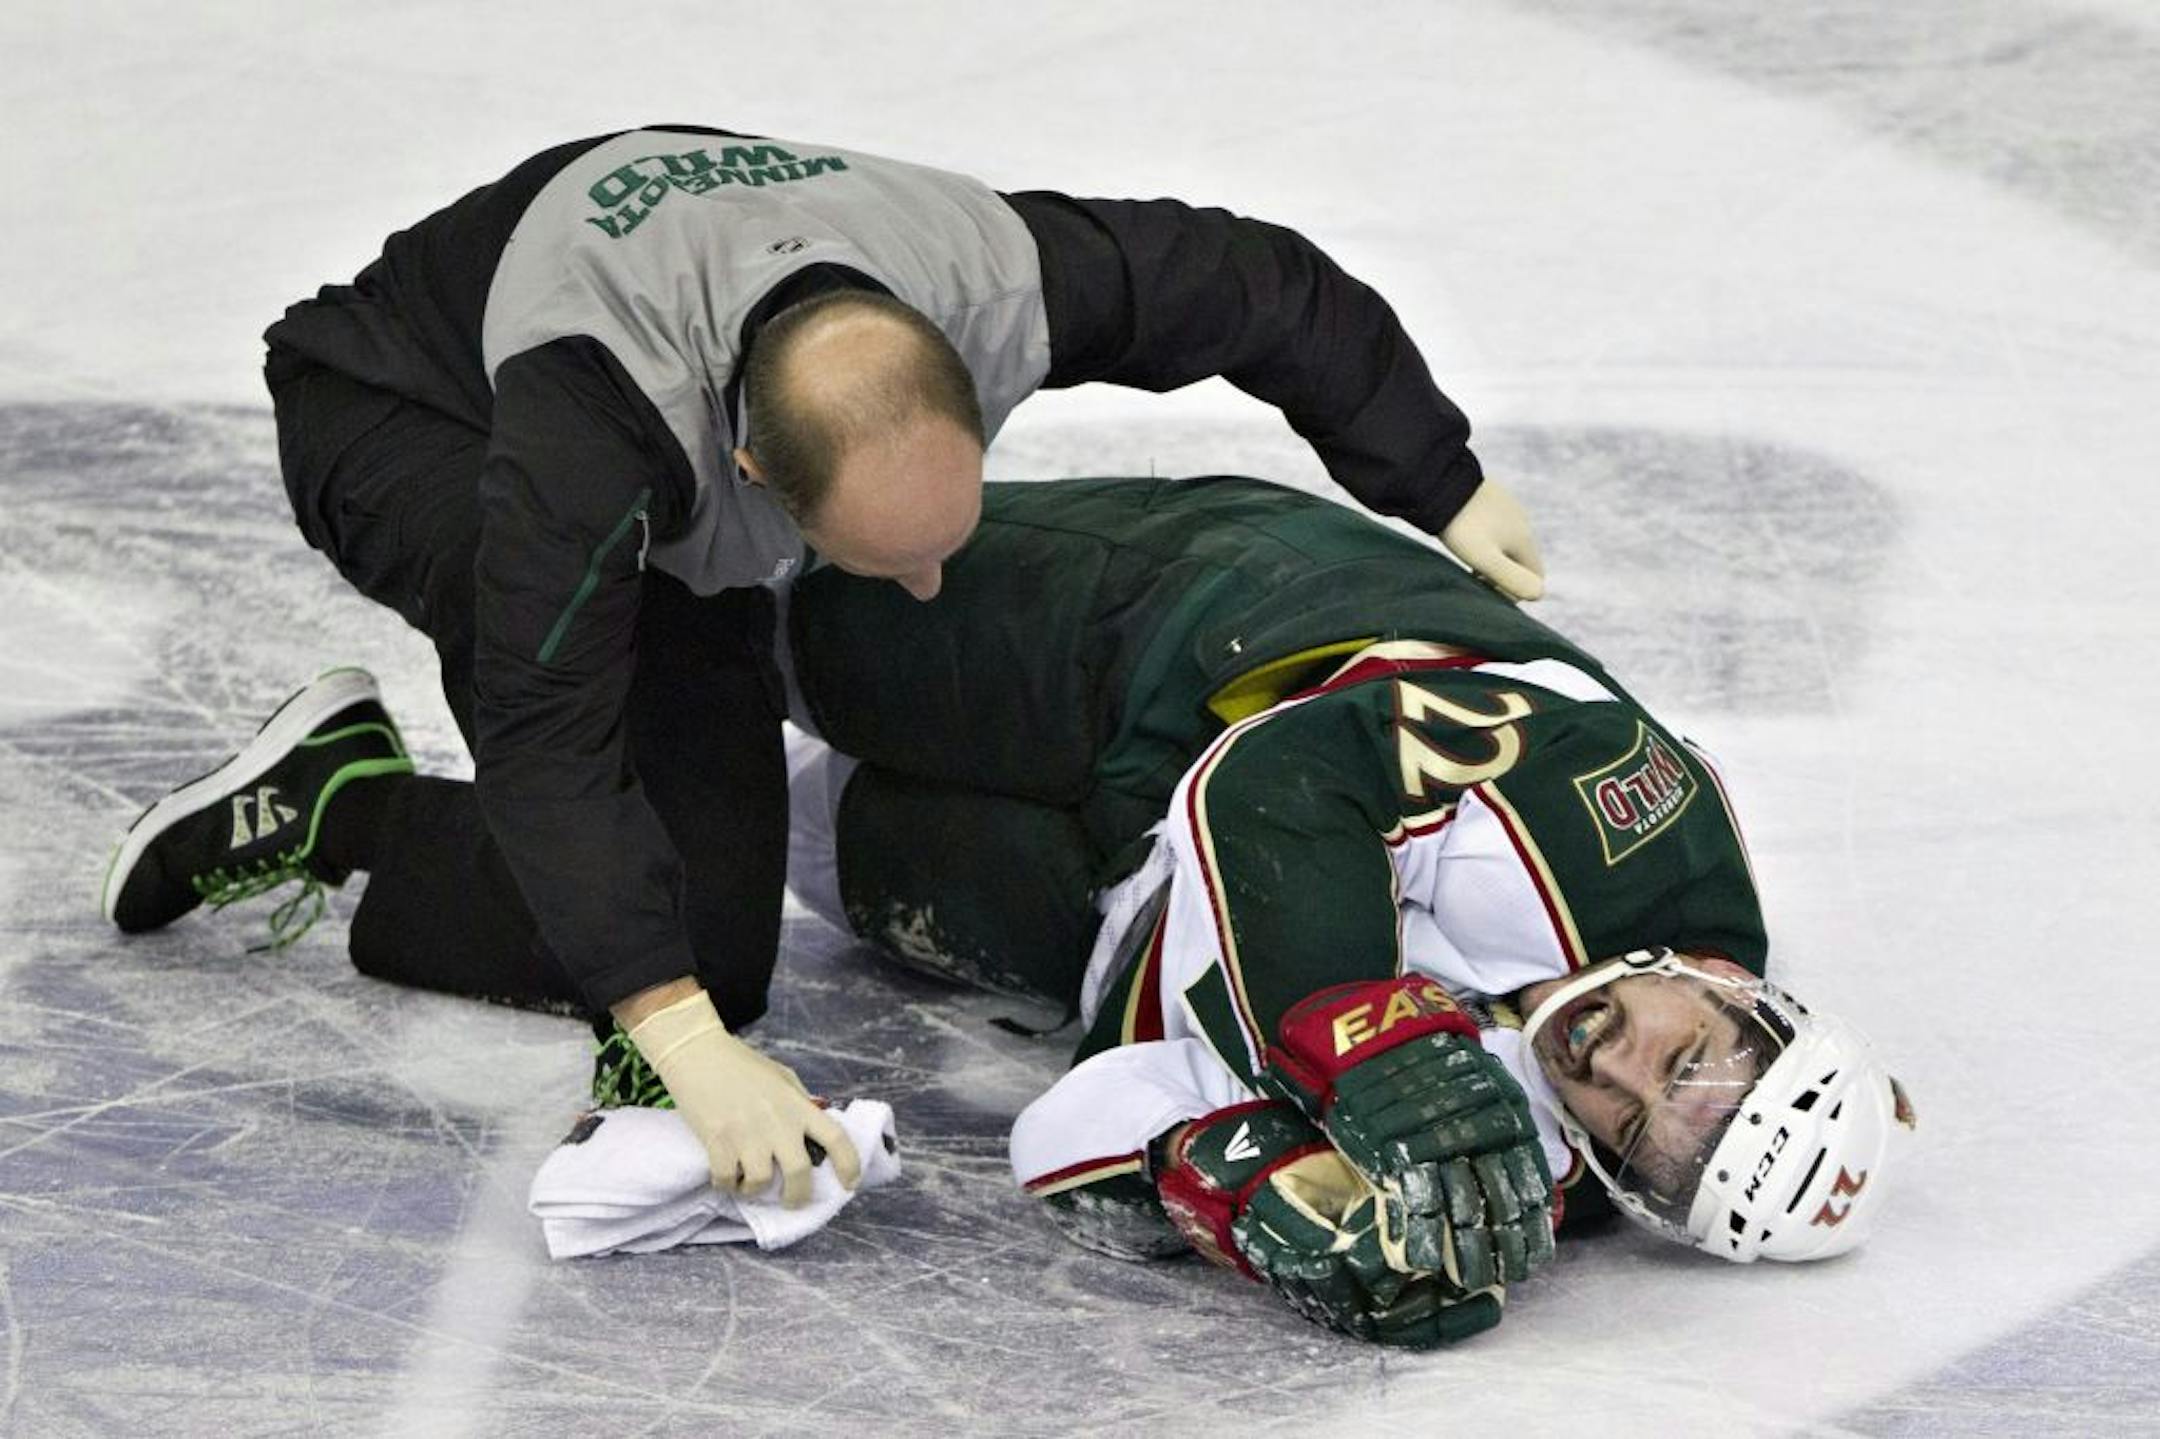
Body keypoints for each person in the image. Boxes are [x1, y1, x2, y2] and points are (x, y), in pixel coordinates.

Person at [99, 126, 1547, 1208]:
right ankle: (335, 803)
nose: (926, 587)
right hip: (405, 412)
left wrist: (1441, 479)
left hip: (675, 393)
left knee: (705, 912)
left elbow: (1264, 286)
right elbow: (555, 734)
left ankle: (438, 820)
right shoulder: (595, 439)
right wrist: (672, 1032)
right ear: (745, 472)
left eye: (939, 539)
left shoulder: (1001, 273)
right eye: (881, 553)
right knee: (683, 958)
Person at [775, 473, 1913, 1346]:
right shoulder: (1631, 813)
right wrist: (1362, 1042)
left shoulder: (1521, 1174)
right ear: (1746, 997)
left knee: (768, 840)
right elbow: (1277, 776)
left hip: (1109, 897)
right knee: (773, 624)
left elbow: (1069, 1125)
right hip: (1199, 631)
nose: (1611, 1071)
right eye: (1685, 1059)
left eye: (1631, 1129)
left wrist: (1247, 1194)